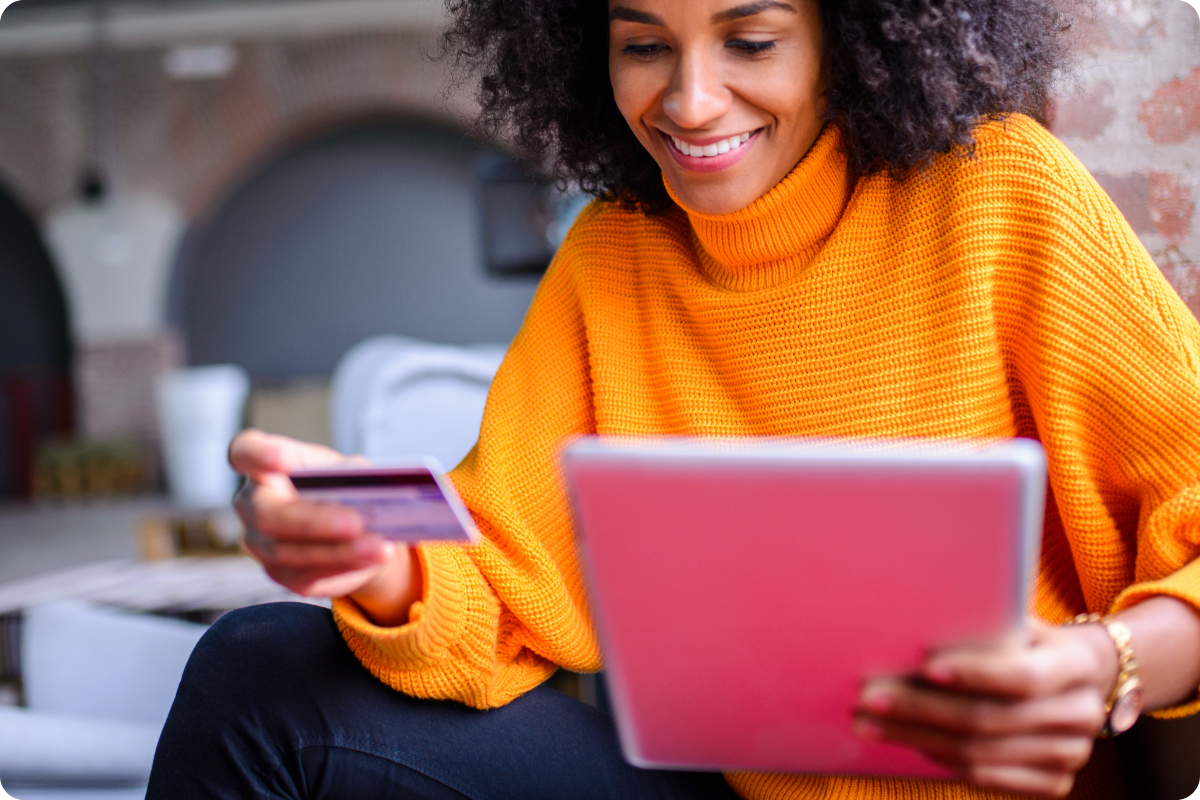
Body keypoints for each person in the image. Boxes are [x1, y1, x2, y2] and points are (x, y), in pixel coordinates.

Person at [147, 0, 1200, 798]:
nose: (689, 102)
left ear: (849, 34)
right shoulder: (613, 250)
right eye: (644, 44)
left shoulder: (1001, 194)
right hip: (710, 786)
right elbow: (504, 566)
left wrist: (1110, 661)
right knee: (255, 671)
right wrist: (382, 561)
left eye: (751, 40)